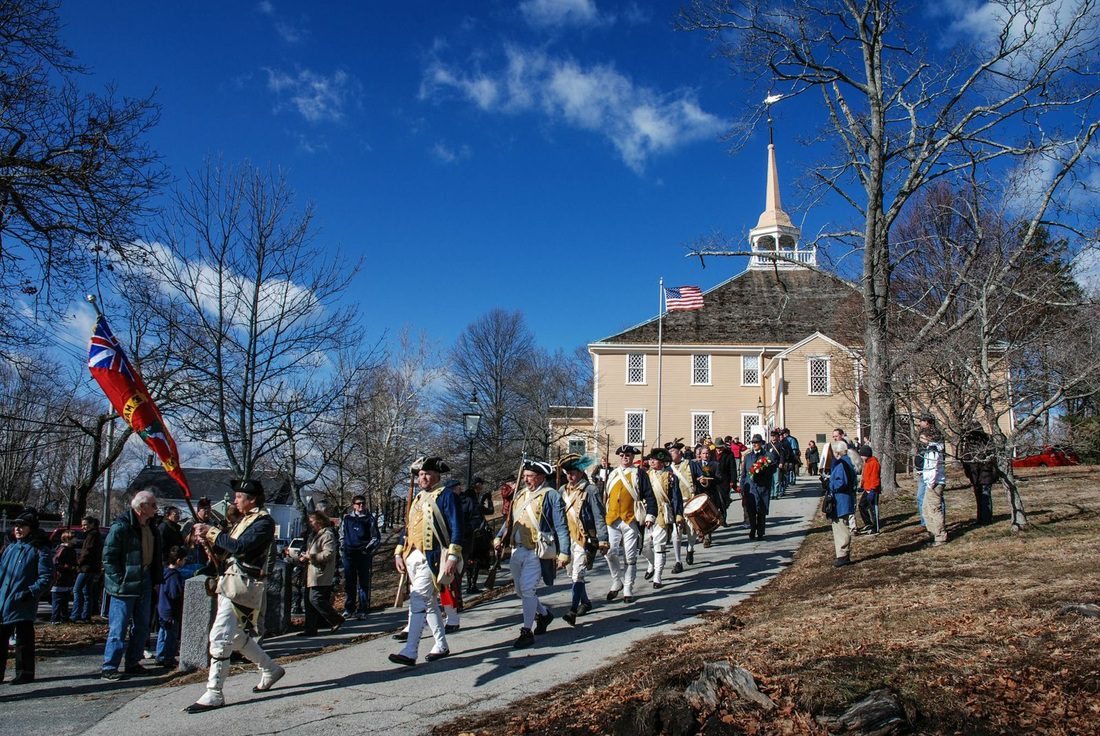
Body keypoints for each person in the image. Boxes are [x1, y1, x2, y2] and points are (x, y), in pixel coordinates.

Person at [185, 480, 285, 713]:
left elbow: (241, 547)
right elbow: (226, 550)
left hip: (243, 586)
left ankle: (214, 692)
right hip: (229, 582)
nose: (234, 500)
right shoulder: (243, 521)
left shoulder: (264, 523)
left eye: (239, 496)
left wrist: (212, 531)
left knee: (220, 636)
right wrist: (207, 539)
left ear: (252, 499)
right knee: (238, 637)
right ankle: (270, 669)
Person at [389, 457, 463, 666]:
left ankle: (410, 650)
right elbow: (409, 526)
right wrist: (398, 552)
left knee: (418, 600)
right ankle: (440, 644)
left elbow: (457, 527)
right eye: (421, 474)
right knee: (429, 603)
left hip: (434, 556)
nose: (423, 477)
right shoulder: (418, 497)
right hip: (412, 555)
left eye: (428, 474)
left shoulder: (446, 496)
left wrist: (453, 556)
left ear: (438, 476)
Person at [494, 460, 570, 648]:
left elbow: (561, 526)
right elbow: (511, 519)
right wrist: (499, 536)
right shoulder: (520, 495)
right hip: (516, 548)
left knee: (528, 590)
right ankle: (544, 615)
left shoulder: (551, 495)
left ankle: (526, 631)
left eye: (529, 476)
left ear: (541, 477)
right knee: (521, 590)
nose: (525, 479)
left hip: (537, 549)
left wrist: (564, 552)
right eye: (525, 475)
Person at [101, 490, 164, 680]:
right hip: (125, 584)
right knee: (118, 627)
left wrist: (154, 578)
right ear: (142, 507)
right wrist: (119, 579)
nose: (156, 509)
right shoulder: (122, 527)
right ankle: (110, 666)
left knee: (143, 625)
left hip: (145, 580)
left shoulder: (152, 527)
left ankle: (133, 662)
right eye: (153, 505)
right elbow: (108, 557)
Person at [0, 510, 52, 684]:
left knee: (23, 639)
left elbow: (46, 578)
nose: (18, 529)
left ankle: (25, 673)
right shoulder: (10, 547)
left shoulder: (39, 549)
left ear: (31, 528)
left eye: (22, 526)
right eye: (16, 525)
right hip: (4, 599)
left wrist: (30, 592)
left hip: (23, 600)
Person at [602, 445, 657, 604]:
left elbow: (649, 496)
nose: (625, 457)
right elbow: (605, 495)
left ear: (633, 457)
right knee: (610, 552)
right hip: (612, 519)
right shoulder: (612, 474)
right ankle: (616, 580)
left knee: (630, 556)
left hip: (630, 519)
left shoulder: (639, 474)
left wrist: (650, 515)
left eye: (628, 455)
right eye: (623, 455)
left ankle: (628, 587)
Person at [558, 455, 607, 626]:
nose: (570, 476)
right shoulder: (562, 491)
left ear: (580, 473)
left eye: (573, 473)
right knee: (573, 575)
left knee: (578, 573)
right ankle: (586, 602)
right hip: (567, 539)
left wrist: (603, 539)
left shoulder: (590, 490)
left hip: (584, 539)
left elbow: (599, 516)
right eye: (567, 473)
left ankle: (572, 610)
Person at [641, 448, 684, 589]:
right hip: (646, 512)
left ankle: (657, 577)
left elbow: (676, 497)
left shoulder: (670, 476)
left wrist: (678, 514)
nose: (651, 461)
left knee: (659, 546)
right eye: (650, 459)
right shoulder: (646, 475)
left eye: (655, 459)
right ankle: (652, 564)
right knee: (645, 546)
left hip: (662, 512)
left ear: (662, 462)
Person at [299, 511, 343, 636]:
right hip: (311, 572)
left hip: (320, 573)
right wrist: (303, 557)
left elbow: (328, 554)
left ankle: (336, 619)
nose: (310, 524)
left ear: (320, 521)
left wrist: (311, 556)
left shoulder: (327, 535)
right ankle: (310, 629)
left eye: (312, 521)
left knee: (316, 599)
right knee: (308, 602)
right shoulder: (314, 534)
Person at [339, 494, 381, 621]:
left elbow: (375, 538)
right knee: (349, 582)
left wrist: (367, 550)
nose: (361, 506)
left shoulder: (370, 519)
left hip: (363, 554)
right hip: (349, 554)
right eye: (358, 503)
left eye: (363, 503)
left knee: (363, 583)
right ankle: (349, 608)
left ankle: (362, 609)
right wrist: (343, 548)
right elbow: (341, 534)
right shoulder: (347, 519)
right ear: (353, 505)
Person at [740, 435, 780, 540]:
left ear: (761, 443)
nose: (754, 444)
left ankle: (761, 532)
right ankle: (753, 528)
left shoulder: (767, 455)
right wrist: (742, 487)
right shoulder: (748, 457)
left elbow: (773, 469)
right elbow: (744, 473)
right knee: (751, 511)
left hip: (762, 487)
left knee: (761, 511)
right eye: (753, 443)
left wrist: (763, 469)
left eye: (756, 442)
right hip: (751, 488)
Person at [826, 441, 858, 567]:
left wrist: (829, 483)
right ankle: (843, 554)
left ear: (837, 452)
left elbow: (841, 482)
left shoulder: (841, 464)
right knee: (842, 526)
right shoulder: (848, 461)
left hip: (841, 500)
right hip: (845, 499)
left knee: (840, 527)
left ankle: (842, 555)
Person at [155, 545, 187, 667]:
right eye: (184, 560)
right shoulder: (174, 576)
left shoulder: (164, 572)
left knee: (162, 633)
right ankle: (169, 657)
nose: (185, 562)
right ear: (178, 560)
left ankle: (160, 655)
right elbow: (174, 594)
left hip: (162, 608)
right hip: (171, 610)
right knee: (171, 636)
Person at [667, 442, 694, 571]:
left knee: (691, 531)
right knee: (675, 533)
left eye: (673, 451)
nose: (671, 453)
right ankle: (678, 561)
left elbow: (699, 479)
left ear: (679, 452)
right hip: (675, 504)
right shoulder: (668, 469)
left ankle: (690, 548)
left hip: (689, 501)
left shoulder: (690, 464)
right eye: (670, 451)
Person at [71, 515, 103, 623]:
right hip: (92, 568)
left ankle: (75, 615)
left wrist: (78, 562)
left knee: (77, 590)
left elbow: (87, 552)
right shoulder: (95, 535)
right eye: (82, 525)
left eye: (85, 525)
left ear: (92, 524)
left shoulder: (92, 535)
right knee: (87, 592)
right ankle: (86, 615)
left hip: (86, 568)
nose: (83, 527)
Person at [464, 477, 494, 593]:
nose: (481, 486)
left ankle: (470, 585)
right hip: (476, 534)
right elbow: (489, 511)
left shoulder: (467, 500)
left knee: (470, 559)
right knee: (475, 559)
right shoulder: (472, 501)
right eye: (480, 484)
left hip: (468, 533)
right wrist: (489, 499)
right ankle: (472, 585)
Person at [920, 431, 948, 546]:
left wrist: (931, 483)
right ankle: (933, 532)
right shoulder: (930, 449)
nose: (920, 439)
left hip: (934, 484)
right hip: (930, 483)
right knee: (926, 509)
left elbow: (933, 467)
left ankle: (940, 537)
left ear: (929, 437)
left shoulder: (933, 450)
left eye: (922, 437)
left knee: (934, 510)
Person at [50, 530, 78, 623]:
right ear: (68, 539)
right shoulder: (62, 549)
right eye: (74, 537)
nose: (76, 539)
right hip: (60, 578)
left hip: (67, 578)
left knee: (65, 600)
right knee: (57, 600)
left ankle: (64, 617)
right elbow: (56, 563)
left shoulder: (71, 550)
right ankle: (55, 618)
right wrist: (69, 567)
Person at [857, 445, 881, 534]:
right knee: (861, 506)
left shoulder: (874, 463)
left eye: (862, 455)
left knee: (873, 509)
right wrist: (862, 486)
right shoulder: (866, 463)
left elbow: (875, 478)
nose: (861, 457)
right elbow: (865, 476)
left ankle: (876, 528)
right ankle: (868, 523)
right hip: (866, 489)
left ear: (866, 454)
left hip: (872, 490)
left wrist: (873, 490)